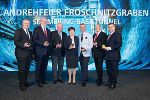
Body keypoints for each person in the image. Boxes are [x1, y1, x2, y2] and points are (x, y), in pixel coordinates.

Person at [14, 19, 33, 91]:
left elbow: (31, 43)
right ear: (22, 24)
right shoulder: (18, 31)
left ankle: (25, 82)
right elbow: (15, 42)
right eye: (25, 23)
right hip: (21, 54)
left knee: (27, 69)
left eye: (28, 23)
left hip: (28, 54)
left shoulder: (30, 32)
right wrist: (23, 45)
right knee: (22, 70)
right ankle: (21, 84)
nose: (27, 24)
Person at [102, 23, 122, 90]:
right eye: (109, 27)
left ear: (114, 27)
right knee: (109, 71)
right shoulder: (108, 36)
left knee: (114, 71)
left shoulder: (117, 34)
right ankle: (110, 82)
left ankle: (114, 83)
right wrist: (104, 46)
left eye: (111, 27)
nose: (110, 28)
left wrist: (110, 48)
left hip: (114, 56)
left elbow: (119, 44)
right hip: (108, 56)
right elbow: (106, 45)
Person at [33, 17, 51, 87]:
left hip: (46, 52)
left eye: (46, 21)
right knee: (38, 67)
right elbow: (34, 40)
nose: (44, 22)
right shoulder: (36, 29)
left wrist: (48, 43)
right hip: (39, 52)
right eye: (43, 21)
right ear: (40, 21)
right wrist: (43, 43)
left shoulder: (48, 30)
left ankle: (43, 79)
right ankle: (38, 81)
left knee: (44, 67)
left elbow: (50, 40)